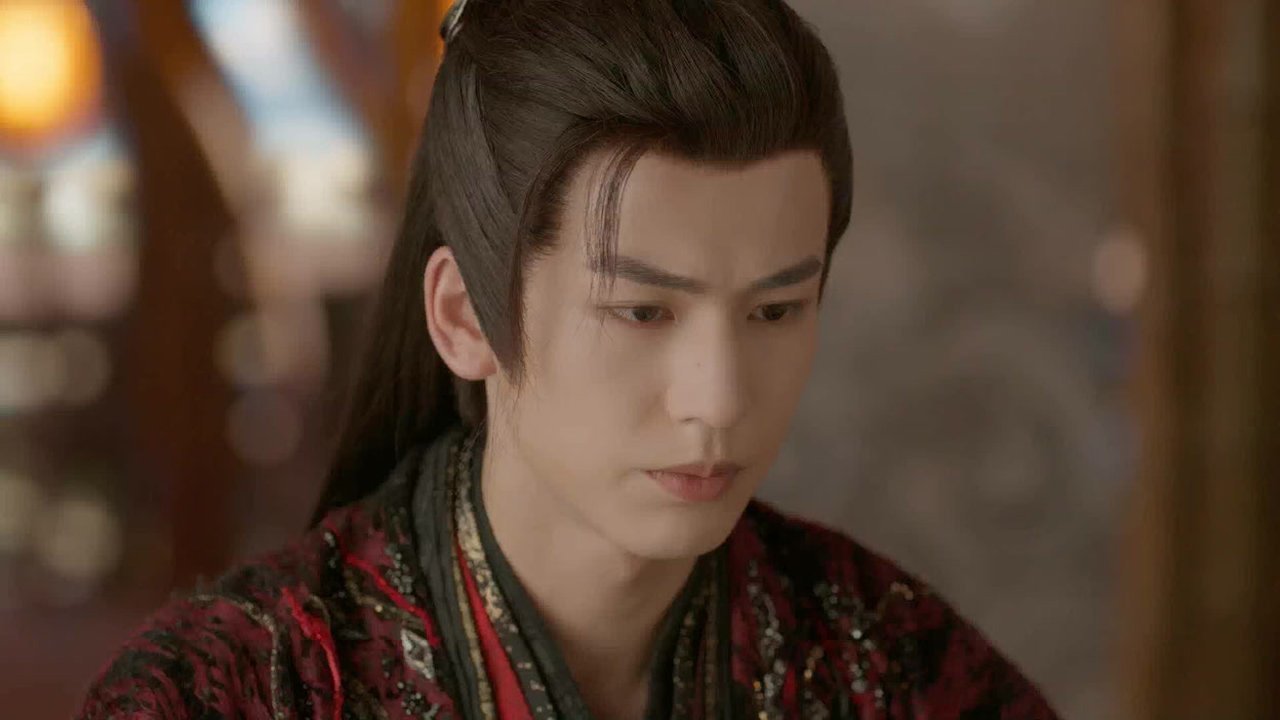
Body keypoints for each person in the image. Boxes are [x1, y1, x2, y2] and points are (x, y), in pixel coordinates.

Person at [78, 0, 1060, 718]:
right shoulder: (236, 691)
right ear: (464, 316)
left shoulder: (892, 666)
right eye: (642, 311)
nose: (718, 399)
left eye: (774, 310)